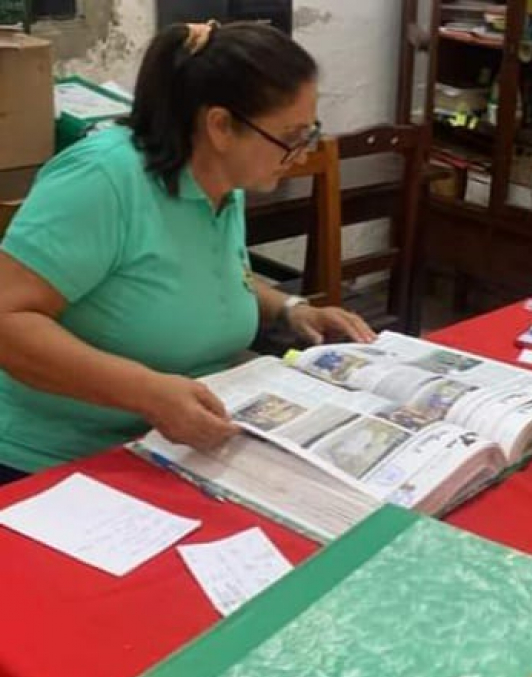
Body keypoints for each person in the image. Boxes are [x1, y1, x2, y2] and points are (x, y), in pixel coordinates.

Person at [0, 21, 375, 484]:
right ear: (220, 126)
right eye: (292, 135)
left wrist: (289, 309)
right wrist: (147, 393)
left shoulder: (224, 180)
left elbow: (195, 278)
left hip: (177, 447)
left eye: (310, 131)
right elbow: (7, 322)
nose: (302, 151)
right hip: (56, 464)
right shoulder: (104, 179)